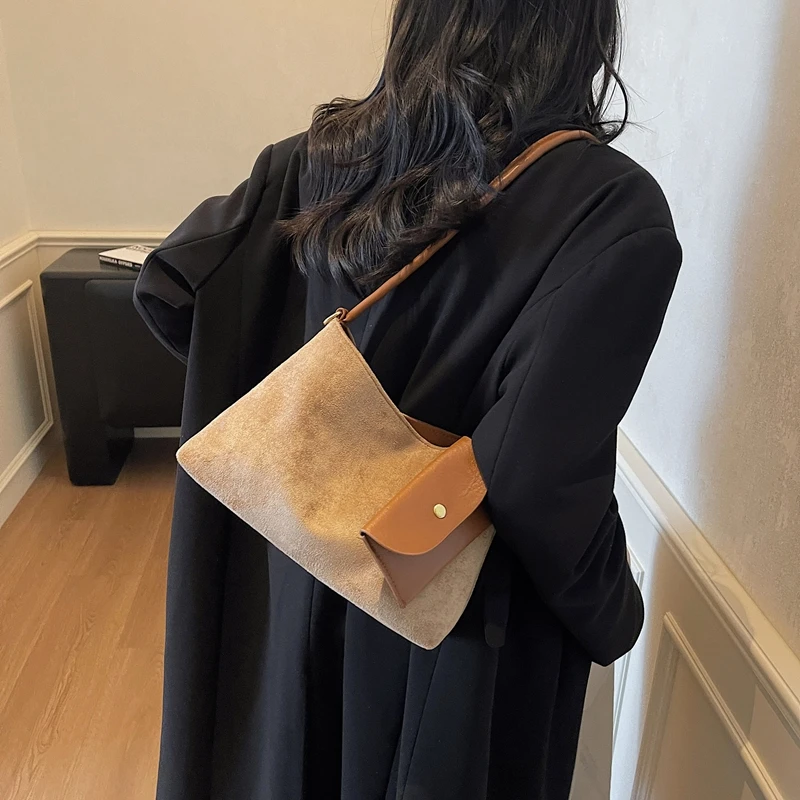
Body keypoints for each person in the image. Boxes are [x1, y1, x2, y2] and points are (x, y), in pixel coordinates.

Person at [135, 0, 682, 797]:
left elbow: (175, 289)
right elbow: (535, 477)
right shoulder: (608, 208)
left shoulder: (315, 158)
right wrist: (616, 613)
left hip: (289, 572)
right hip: (452, 634)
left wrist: (320, 408)